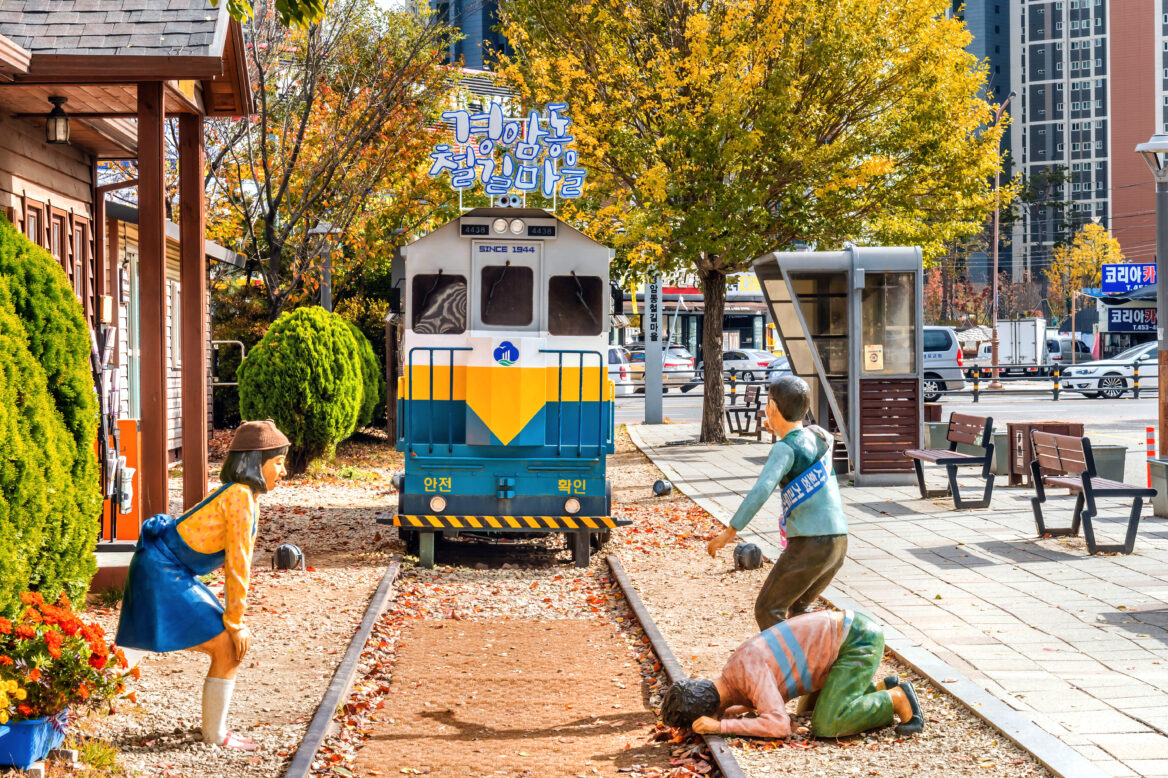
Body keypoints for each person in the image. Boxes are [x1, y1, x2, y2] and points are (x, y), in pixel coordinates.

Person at [116, 420, 289, 750]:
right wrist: (235, 622)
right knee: (227, 645)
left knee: (134, 648)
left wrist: (234, 620)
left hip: (165, 566)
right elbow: (238, 565)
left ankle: (69, 695)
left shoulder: (244, 496)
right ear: (255, 460)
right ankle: (216, 735)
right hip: (163, 569)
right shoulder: (239, 497)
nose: (283, 472)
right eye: (278, 462)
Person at [707, 376, 847, 630]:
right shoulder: (821, 436)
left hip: (810, 542)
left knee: (768, 609)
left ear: (772, 407)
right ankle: (814, 664)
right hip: (838, 542)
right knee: (799, 610)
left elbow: (761, 490)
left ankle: (789, 667)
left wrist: (731, 531)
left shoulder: (784, 448)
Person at [660, 609, 924, 739]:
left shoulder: (749, 673)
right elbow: (756, 697)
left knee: (827, 724)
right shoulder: (733, 673)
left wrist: (721, 726)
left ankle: (897, 698)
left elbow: (778, 725)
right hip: (838, 643)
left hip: (854, 640)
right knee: (810, 710)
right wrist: (733, 712)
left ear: (709, 711)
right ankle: (876, 689)